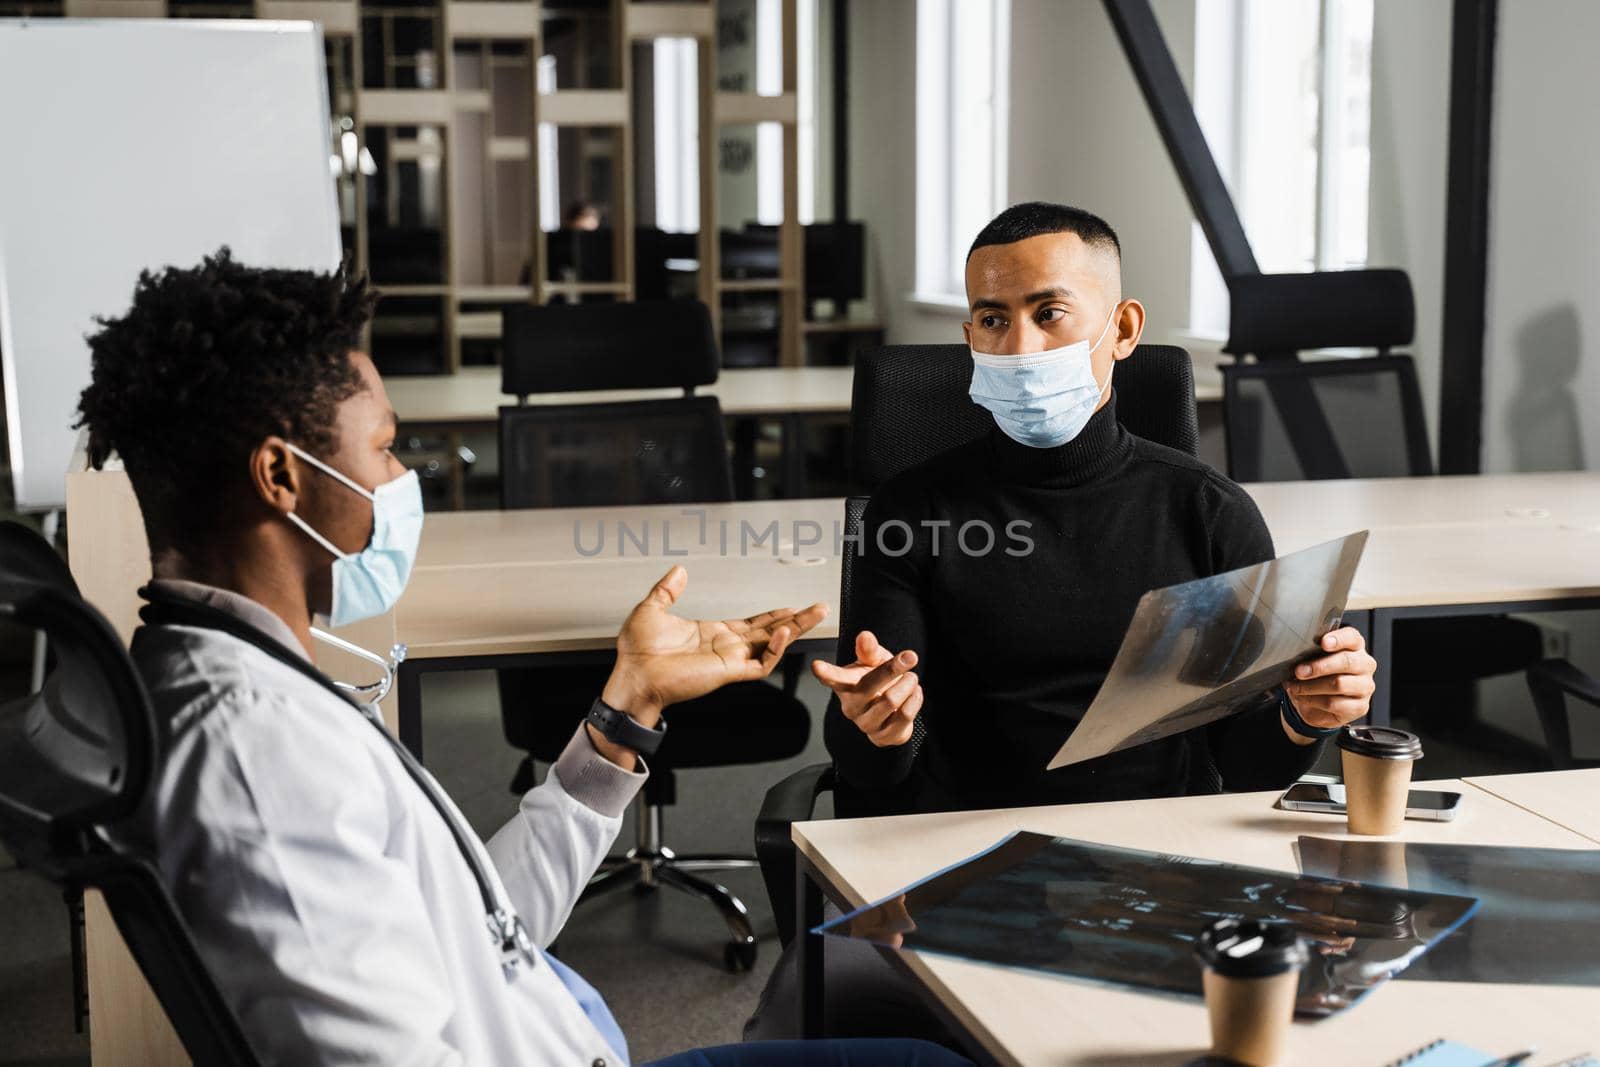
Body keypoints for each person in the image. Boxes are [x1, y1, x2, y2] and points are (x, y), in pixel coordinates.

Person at [76, 249, 970, 1067]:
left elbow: (480, 931)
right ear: (282, 477)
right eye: (384, 448)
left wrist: (627, 710)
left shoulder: (250, 681)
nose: (400, 480)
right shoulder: (254, 755)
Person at [745, 203, 1379, 1040]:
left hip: (1160, 860)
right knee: (813, 1019)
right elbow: (871, 780)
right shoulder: (910, 510)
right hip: (957, 859)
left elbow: (1245, 761)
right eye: (991, 319)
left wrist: (1303, 715)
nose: (1019, 348)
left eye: (1049, 314)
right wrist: (878, 726)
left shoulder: (1205, 512)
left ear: (1121, 328)